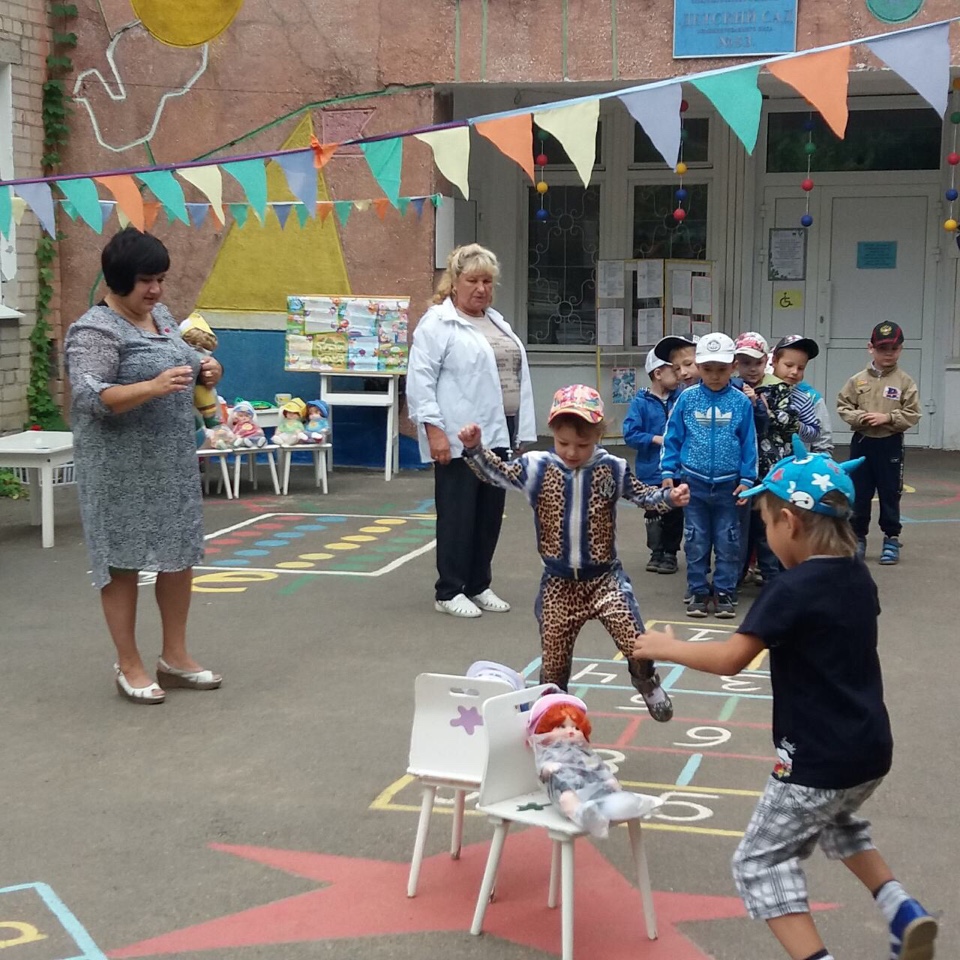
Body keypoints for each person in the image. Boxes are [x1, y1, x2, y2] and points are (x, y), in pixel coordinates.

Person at [632, 438, 937, 960]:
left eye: (768, 524)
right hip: (867, 751)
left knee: (759, 863)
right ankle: (901, 908)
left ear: (790, 523)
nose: (768, 536)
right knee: (838, 820)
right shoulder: (858, 578)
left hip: (814, 760)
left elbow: (731, 658)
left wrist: (667, 646)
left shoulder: (791, 589)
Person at [457, 384, 689, 722]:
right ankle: (554, 719)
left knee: (637, 643)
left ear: (599, 435)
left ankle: (646, 682)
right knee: (553, 665)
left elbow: (642, 495)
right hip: (559, 584)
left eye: (583, 445)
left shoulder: (612, 467)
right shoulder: (538, 466)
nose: (572, 452)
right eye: (563, 443)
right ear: (552, 431)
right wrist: (475, 448)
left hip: (605, 579)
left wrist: (669, 499)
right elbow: (498, 474)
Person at [64, 227, 223, 704]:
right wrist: (152, 387)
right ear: (117, 280)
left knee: (178, 557)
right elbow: (90, 397)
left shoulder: (163, 317)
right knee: (123, 563)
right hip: (118, 468)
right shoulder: (94, 329)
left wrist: (206, 369)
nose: (154, 290)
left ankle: (174, 658)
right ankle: (128, 664)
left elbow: (187, 360)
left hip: (170, 462)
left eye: (160, 279)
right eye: (145, 280)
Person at [407, 244, 536, 618]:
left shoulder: (496, 321)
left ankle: (479, 584)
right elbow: (420, 381)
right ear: (454, 282)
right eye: (473, 280)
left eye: (487, 281)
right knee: (458, 514)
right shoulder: (437, 323)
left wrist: (519, 436)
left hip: (497, 435)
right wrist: (434, 431)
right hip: (458, 435)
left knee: (489, 515)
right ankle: (449, 590)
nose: (481, 288)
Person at [660, 332, 758, 618]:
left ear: (733, 367)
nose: (714, 376)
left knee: (729, 539)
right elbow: (673, 436)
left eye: (722, 369)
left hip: (729, 485)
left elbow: (748, 442)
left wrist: (746, 478)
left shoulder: (740, 402)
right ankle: (698, 590)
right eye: (707, 369)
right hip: (694, 483)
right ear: (699, 369)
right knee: (696, 538)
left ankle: (726, 590)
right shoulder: (687, 399)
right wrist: (669, 470)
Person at [837, 321, 921, 565]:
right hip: (863, 442)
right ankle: (858, 537)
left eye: (893, 349)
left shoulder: (905, 382)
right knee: (860, 493)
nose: (888, 353)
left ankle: (891, 537)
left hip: (889, 443)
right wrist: (860, 417)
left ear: (901, 349)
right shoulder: (857, 381)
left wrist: (889, 418)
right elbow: (843, 406)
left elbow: (913, 413)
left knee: (889, 491)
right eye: (882, 348)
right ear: (870, 348)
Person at [528, 693, 654, 838]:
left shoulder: (583, 751)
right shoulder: (550, 752)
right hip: (566, 786)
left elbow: (596, 766)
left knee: (608, 789)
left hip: (591, 783)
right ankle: (581, 814)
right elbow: (543, 770)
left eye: (576, 728)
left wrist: (606, 778)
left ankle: (626, 804)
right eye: (561, 726)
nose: (570, 732)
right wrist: (548, 768)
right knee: (567, 798)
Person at [622, 348, 682, 574]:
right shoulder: (641, 402)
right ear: (658, 373)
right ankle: (656, 551)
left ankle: (670, 553)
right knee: (654, 513)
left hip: (676, 470)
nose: (679, 375)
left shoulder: (682, 398)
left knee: (675, 512)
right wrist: (655, 438)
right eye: (674, 370)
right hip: (651, 470)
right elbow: (630, 433)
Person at [733, 332, 773, 586]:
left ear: (766, 361)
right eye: (745, 363)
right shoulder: (730, 388)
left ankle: (772, 578)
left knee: (766, 526)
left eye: (757, 363)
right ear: (736, 364)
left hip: (768, 470)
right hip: (739, 471)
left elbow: (767, 427)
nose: (751, 369)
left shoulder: (776, 389)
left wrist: (757, 404)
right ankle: (734, 577)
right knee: (739, 528)